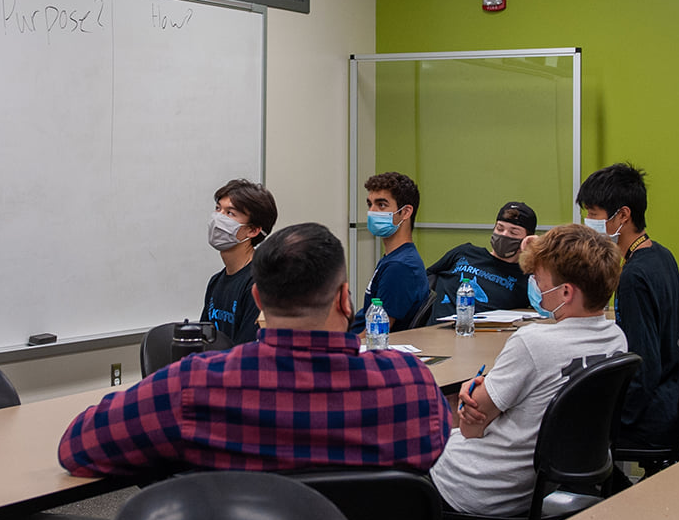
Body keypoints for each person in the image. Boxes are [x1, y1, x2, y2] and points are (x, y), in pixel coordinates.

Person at [59, 222, 452, 478]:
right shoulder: (410, 384)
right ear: (345, 300)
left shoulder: (194, 387)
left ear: (258, 298)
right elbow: (434, 454)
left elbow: (77, 446)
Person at [429, 224, 627, 515]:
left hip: (483, 484)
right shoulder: (616, 338)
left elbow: (471, 428)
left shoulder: (533, 342)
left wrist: (476, 393)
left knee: (409, 436)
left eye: (539, 278)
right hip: (547, 483)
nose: (534, 283)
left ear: (567, 292)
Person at [576, 162, 679, 450]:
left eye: (593, 214)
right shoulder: (662, 255)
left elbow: (643, 365)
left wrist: (614, 420)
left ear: (623, 215)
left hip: (650, 417)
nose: (589, 222)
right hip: (673, 400)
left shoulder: (633, 277)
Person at [426, 201, 537, 320]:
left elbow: (549, 304)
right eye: (500, 228)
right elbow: (424, 280)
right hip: (435, 331)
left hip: (481, 334)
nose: (504, 235)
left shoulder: (525, 278)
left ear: (527, 239)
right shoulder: (465, 252)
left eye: (513, 232)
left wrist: (539, 249)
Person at [201, 179, 277, 344]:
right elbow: (203, 343)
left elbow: (247, 354)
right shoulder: (216, 282)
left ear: (253, 230)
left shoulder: (260, 283)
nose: (217, 218)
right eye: (218, 208)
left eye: (230, 213)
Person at [350, 171, 428, 333]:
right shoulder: (394, 258)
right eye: (370, 204)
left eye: (382, 205)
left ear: (405, 212)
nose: (372, 211)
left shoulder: (400, 267)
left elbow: (376, 332)